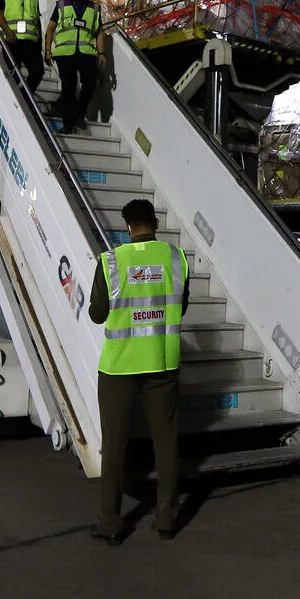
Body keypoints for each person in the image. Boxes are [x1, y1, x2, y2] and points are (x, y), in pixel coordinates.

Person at [88, 198, 189, 545]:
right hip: (162, 364)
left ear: (127, 227)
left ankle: (110, 523)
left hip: (119, 368)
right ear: (156, 224)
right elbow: (181, 306)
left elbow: (98, 314)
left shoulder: (111, 262)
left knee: (114, 444)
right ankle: (166, 520)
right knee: (166, 442)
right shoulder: (176, 260)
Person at [43, 0, 107, 134]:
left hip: (87, 52)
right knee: (68, 88)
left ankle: (80, 112)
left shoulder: (94, 9)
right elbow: (50, 29)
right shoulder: (61, 5)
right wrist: (48, 51)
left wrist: (102, 53)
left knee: (90, 83)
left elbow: (99, 32)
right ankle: (68, 124)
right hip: (64, 53)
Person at [0, 0, 43, 94]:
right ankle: (8, 99)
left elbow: (37, 20)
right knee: (13, 75)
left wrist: (40, 45)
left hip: (30, 43)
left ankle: (24, 99)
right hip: (12, 41)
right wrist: (9, 33)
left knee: (38, 72)